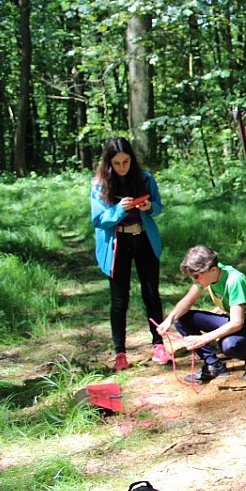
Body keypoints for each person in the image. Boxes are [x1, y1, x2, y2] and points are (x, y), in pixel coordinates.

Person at [91, 137, 172, 371]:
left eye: (126, 161)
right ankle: (120, 353)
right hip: (118, 244)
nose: (122, 167)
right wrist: (118, 209)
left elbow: (158, 205)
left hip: (144, 240)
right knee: (119, 300)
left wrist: (149, 207)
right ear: (108, 163)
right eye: (117, 163)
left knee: (151, 295)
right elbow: (98, 220)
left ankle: (158, 345)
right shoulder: (100, 184)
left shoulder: (145, 178)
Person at [156, 245, 246, 384]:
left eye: (197, 277)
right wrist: (169, 319)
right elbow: (187, 301)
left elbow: (236, 323)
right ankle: (213, 365)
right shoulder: (211, 274)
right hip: (235, 321)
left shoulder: (234, 280)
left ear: (213, 270)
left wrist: (204, 339)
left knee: (228, 345)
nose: (195, 281)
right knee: (181, 319)